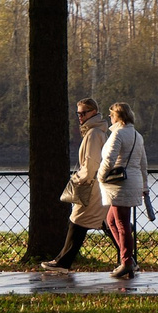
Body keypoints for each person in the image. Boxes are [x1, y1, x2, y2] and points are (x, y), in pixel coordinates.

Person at [40, 98, 108, 269]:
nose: (80, 116)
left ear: (93, 112)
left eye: (83, 113)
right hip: (97, 186)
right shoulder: (97, 132)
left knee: (78, 221)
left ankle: (63, 262)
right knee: (104, 222)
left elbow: (91, 163)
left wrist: (78, 178)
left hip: (91, 186)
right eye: (78, 113)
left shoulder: (93, 134)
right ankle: (128, 259)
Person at [96, 102, 148, 278]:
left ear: (117, 116)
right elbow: (143, 164)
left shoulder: (118, 134)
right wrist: (144, 186)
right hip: (133, 182)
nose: (109, 118)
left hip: (119, 184)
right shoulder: (137, 135)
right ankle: (129, 260)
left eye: (111, 115)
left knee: (121, 223)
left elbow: (109, 160)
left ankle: (126, 262)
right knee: (112, 220)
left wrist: (100, 177)